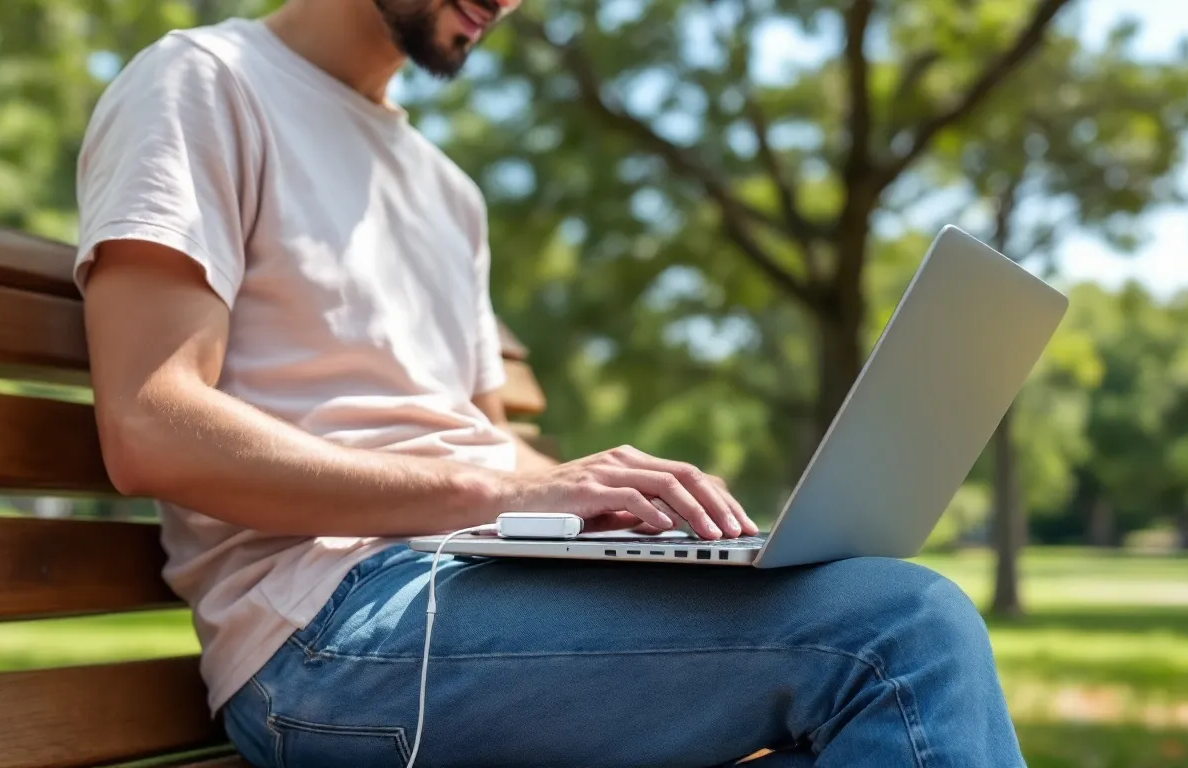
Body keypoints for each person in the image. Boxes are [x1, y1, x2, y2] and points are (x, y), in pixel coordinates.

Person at [74, 0, 1025, 764]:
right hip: (327, 634)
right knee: (897, 634)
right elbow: (150, 423)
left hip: (464, 583)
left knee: (870, 607)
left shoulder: (448, 191)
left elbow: (483, 442)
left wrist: (612, 506)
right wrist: (506, 490)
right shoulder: (205, 83)